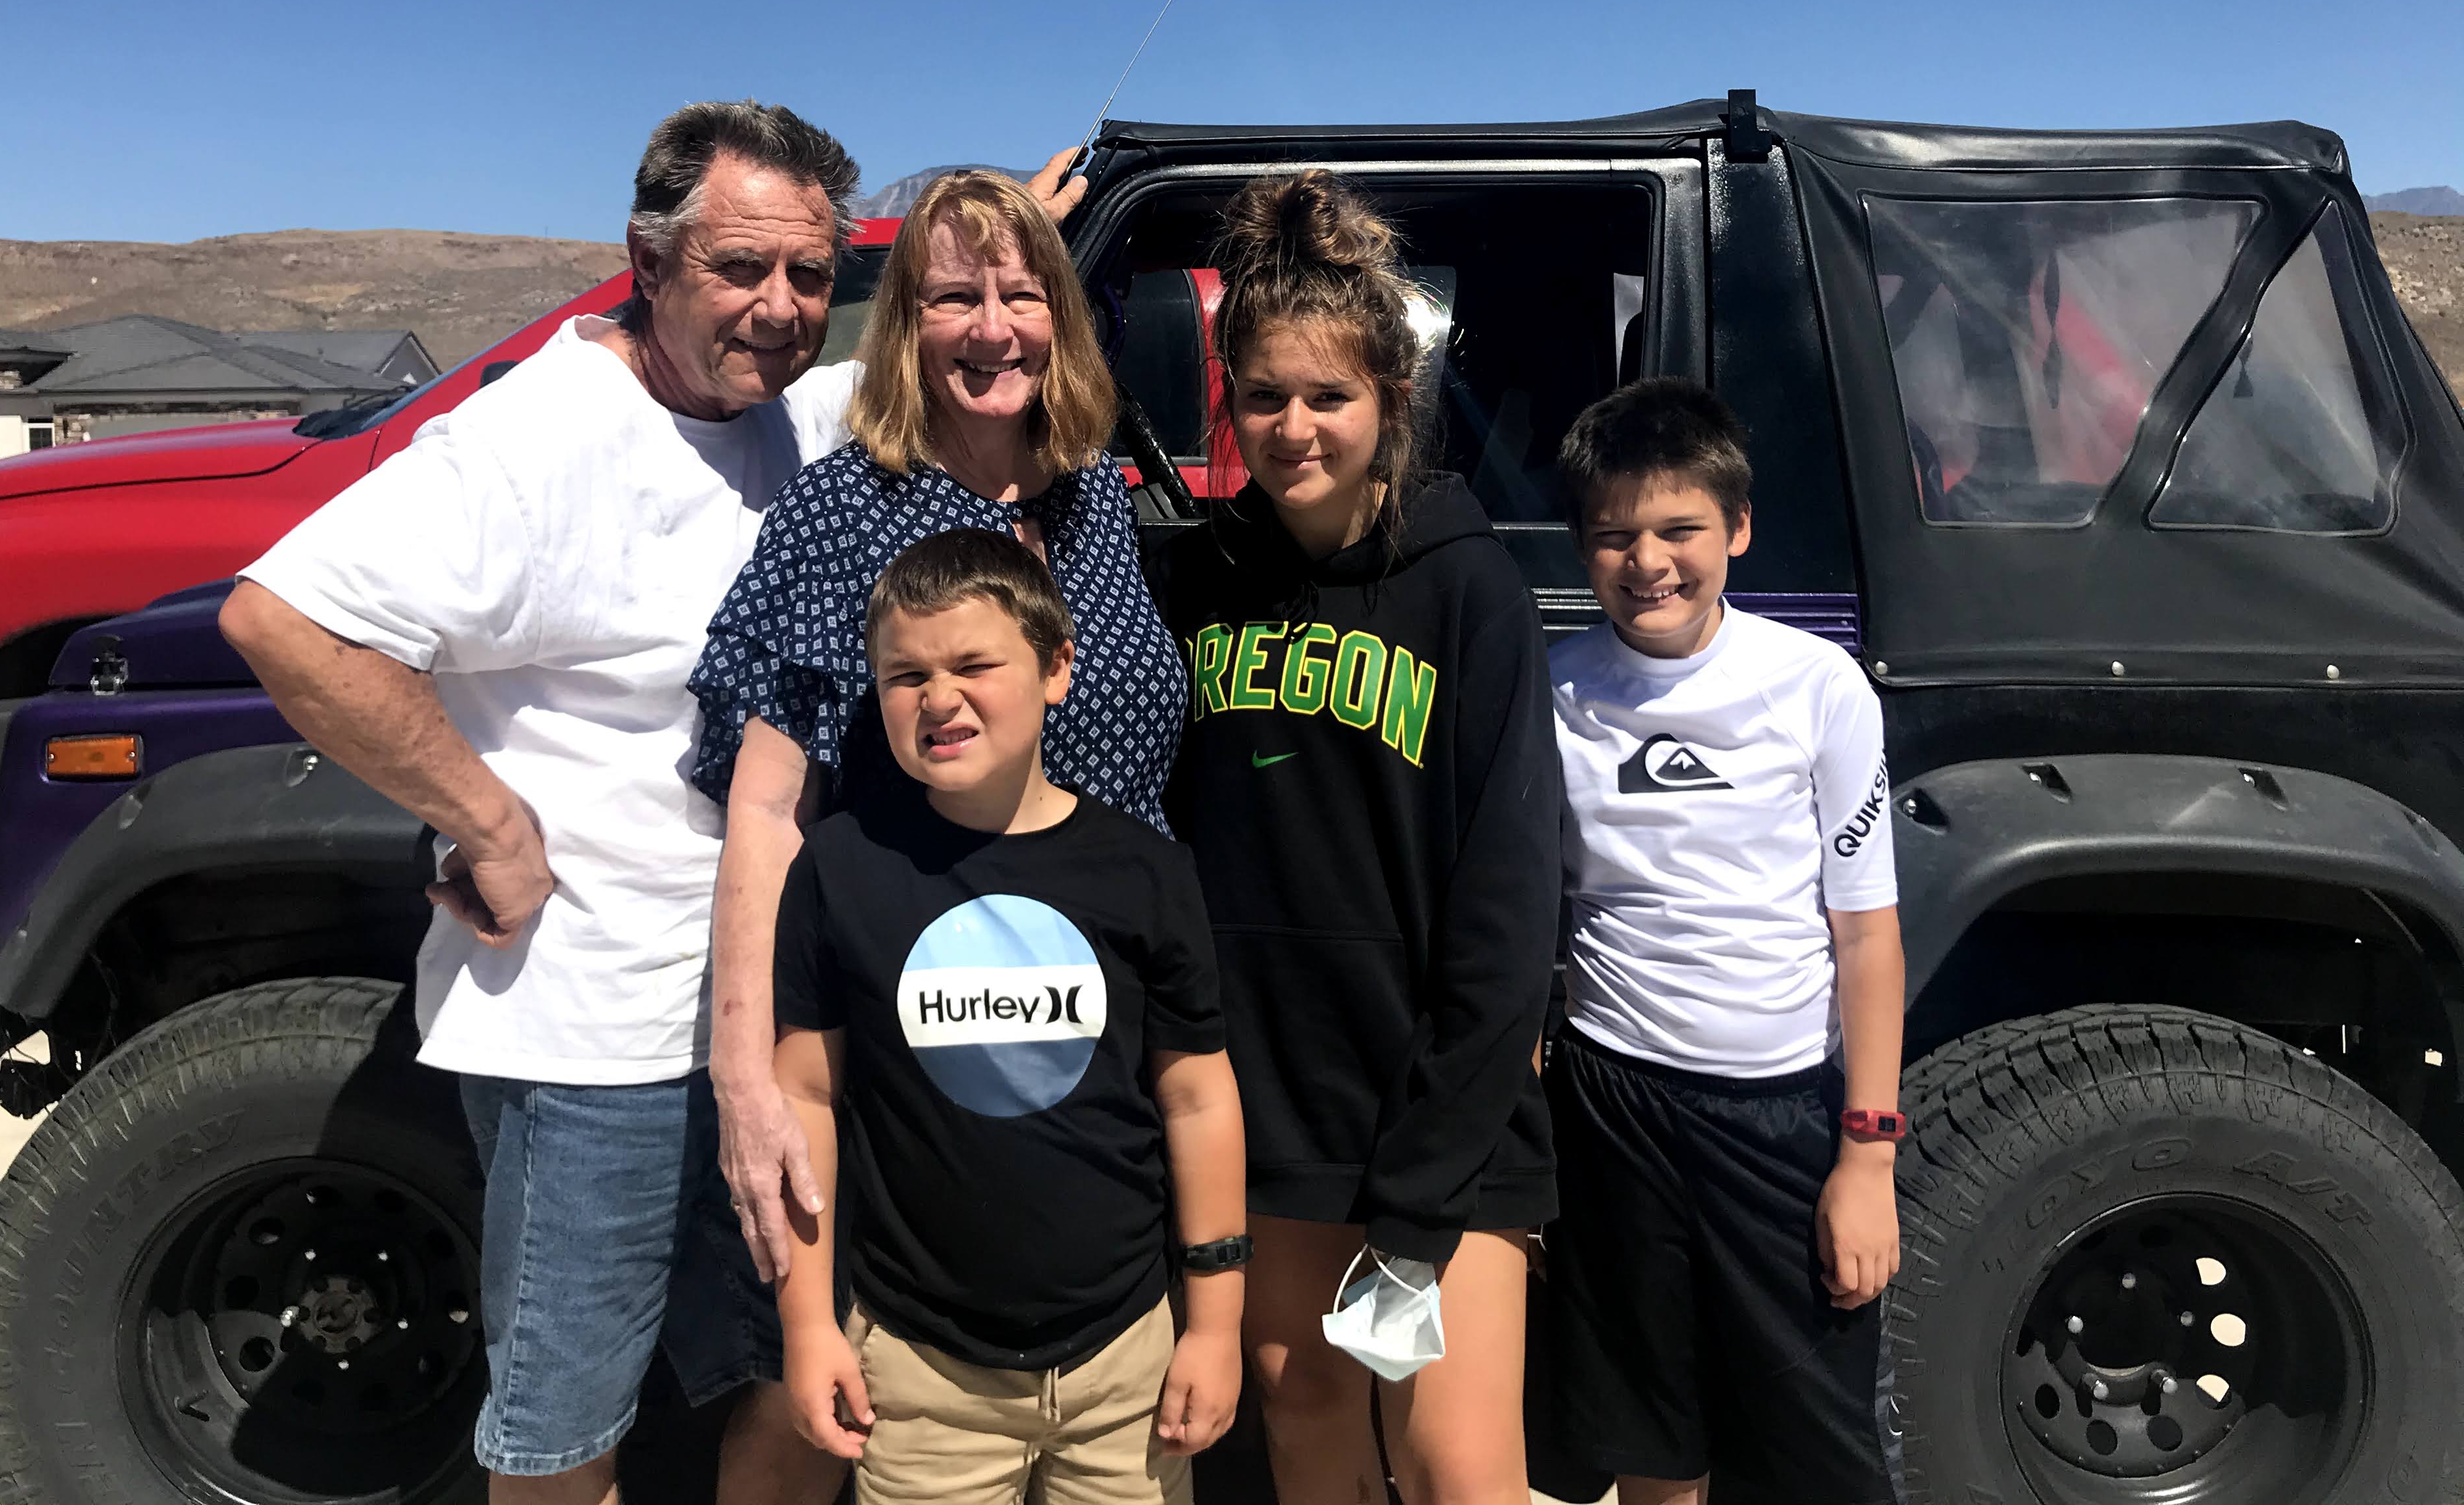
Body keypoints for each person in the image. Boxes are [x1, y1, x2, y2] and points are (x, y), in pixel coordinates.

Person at [219, 102, 1083, 1505]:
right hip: (598, 1037)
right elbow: (284, 620)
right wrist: (487, 822)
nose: (779, 307)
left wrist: (1005, 243)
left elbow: (928, 362)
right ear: (649, 259)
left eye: (810, 275)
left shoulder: (783, 415)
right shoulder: (537, 439)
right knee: (566, 1432)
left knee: (797, 1383)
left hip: (777, 1020)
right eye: (741, 268)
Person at [694, 167, 1190, 1283]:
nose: (993, 329)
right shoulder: (845, 510)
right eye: (955, 297)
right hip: (931, 1025)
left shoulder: (1095, 500)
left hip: (1113, 1018)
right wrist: (747, 1078)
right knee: (886, 1353)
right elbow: (768, 810)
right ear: (907, 327)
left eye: (1022, 296)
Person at [1149, 171, 1563, 1505]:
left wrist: (1429, 1177)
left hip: (1439, 1113)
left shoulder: (1471, 589)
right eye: (1263, 395)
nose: (1293, 428)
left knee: (1456, 1468)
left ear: (1391, 397)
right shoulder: (1197, 580)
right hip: (1270, 1109)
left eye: (1327, 396)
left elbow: (1508, 909)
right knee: (1304, 1414)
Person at [768, 528, 1247, 1505]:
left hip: (1128, 1363)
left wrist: (1215, 1323)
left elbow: (1198, 1099)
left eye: (974, 665)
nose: (939, 697)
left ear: (1056, 669)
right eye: (906, 675)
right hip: (921, 1371)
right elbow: (805, 1100)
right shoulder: (840, 869)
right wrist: (808, 1324)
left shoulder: (1146, 871)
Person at [1539, 377, 1904, 1505]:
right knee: (1651, 1446)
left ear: (1737, 529)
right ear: (1582, 547)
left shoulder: (1819, 687)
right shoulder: (1551, 693)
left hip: (1781, 1118)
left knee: (1814, 1452)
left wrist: (1868, 1160)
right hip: (1612, 1110)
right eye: (1615, 535)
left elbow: (1868, 935)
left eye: (1679, 529)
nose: (1648, 561)